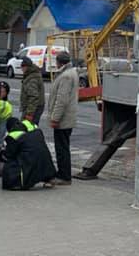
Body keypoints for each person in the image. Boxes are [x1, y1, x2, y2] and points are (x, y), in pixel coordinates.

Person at [47, 50, 78, 185]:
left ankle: (64, 176)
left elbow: (61, 100)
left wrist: (55, 118)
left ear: (59, 62)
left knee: (62, 148)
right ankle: (64, 174)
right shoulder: (72, 73)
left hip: (63, 119)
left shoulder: (65, 76)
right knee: (63, 146)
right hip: (67, 117)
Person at [1, 117, 57, 190]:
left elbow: (9, 154)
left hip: (30, 162)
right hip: (45, 160)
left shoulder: (13, 135)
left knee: (11, 163)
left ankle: (20, 182)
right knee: (39, 154)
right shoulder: (33, 126)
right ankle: (49, 178)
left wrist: (3, 151)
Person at [20, 56, 45, 123]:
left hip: (33, 108)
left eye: (22, 68)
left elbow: (33, 96)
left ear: (26, 67)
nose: (21, 70)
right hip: (36, 107)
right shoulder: (34, 74)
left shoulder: (32, 79)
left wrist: (29, 113)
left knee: (27, 128)